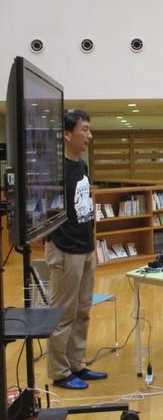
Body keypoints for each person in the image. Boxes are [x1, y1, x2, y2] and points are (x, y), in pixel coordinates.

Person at [46, 110, 107, 390]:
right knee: (63, 314)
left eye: (89, 129)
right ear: (67, 134)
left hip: (85, 248)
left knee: (83, 311)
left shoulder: (81, 166)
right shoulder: (55, 170)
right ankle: (60, 372)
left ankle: (76, 364)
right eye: (84, 130)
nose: (89, 135)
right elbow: (45, 214)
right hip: (65, 250)